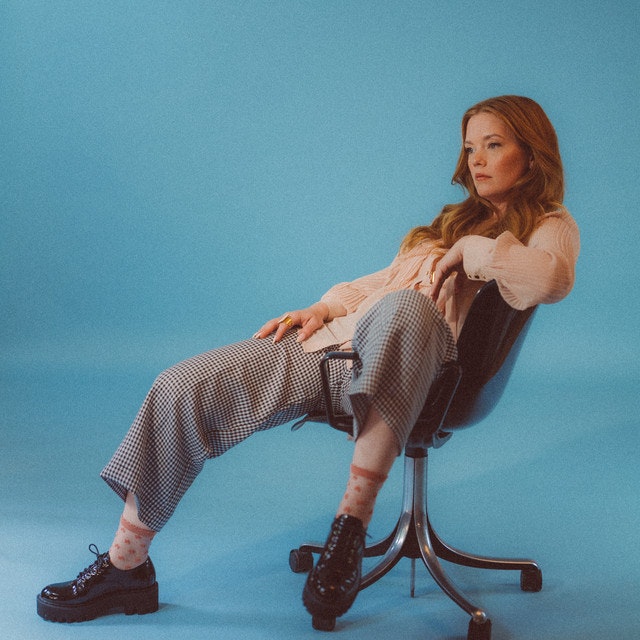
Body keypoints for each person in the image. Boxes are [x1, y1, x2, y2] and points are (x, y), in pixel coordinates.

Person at [36, 95, 580, 627]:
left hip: (427, 372)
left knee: (407, 308)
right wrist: (324, 307)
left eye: (493, 145)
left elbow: (551, 280)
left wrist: (475, 251)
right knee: (183, 383)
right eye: (469, 148)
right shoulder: (450, 221)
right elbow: (382, 282)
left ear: (531, 155)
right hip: (341, 351)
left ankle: (349, 529)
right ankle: (126, 566)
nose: (477, 159)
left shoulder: (550, 225)